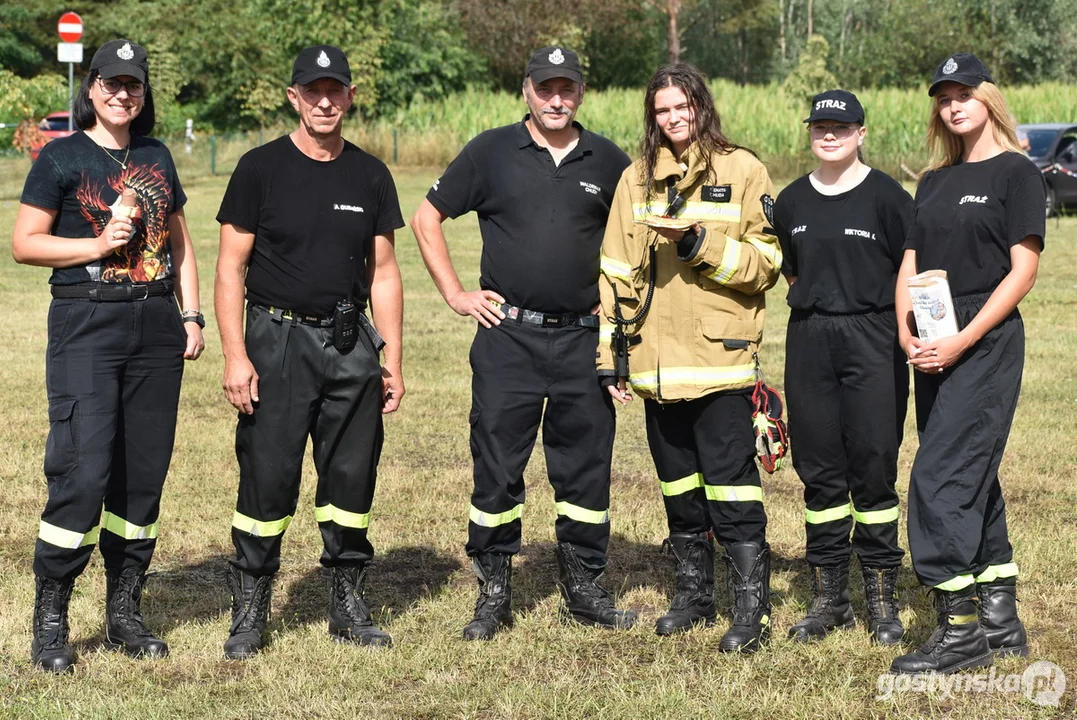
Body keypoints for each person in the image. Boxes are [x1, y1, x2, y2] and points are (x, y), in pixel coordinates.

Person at [411, 46, 636, 640]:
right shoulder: (490, 152)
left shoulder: (610, 160)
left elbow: (638, 246)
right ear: (526, 89)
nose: (556, 99)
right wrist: (458, 294)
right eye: (546, 88)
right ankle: (494, 591)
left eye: (567, 88)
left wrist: (619, 329)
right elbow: (426, 217)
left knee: (586, 470)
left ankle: (584, 589)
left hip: (583, 341)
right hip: (507, 337)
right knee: (498, 467)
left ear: (582, 92)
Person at [12, 39, 204, 673]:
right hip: (86, 322)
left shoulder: (156, 155)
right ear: (91, 87)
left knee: (141, 476)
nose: (123, 94)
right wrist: (95, 245)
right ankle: (52, 621)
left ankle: (124, 611)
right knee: (82, 471)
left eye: (134, 86)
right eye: (112, 83)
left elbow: (181, 244)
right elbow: (25, 245)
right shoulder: (60, 155)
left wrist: (191, 314)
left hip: (155, 324)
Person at [214, 45, 404, 657]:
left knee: (351, 475)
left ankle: (347, 602)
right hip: (277, 340)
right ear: (293, 97)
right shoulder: (259, 168)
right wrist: (236, 354)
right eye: (313, 90)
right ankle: (251, 608)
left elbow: (384, 274)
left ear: (350, 96)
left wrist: (391, 356)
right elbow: (228, 269)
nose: (325, 101)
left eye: (336, 90)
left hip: (351, 345)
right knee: (268, 476)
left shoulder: (371, 175)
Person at [598, 64, 781, 652]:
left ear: (701, 106)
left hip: (721, 366)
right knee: (679, 490)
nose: (673, 118)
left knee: (733, 492)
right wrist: (612, 358)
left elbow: (766, 266)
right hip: (655, 367)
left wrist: (699, 243)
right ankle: (694, 594)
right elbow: (616, 274)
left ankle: (752, 609)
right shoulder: (636, 179)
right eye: (662, 111)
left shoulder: (743, 169)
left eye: (682, 107)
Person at [890, 53, 1043, 674]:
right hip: (931, 337)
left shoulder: (1016, 173)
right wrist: (911, 339)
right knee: (969, 468)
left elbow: (1023, 270)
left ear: (988, 99)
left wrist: (963, 340)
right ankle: (1001, 619)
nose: (953, 105)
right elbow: (908, 266)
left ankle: (959, 629)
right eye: (944, 97)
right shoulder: (931, 181)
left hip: (986, 336)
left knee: (939, 477)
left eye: (964, 93)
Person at [772, 90, 910, 646]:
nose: (830, 135)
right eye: (820, 126)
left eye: (841, 126)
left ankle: (881, 596)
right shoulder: (790, 201)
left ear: (861, 132)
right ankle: (830, 595)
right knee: (819, 467)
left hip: (872, 335)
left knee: (873, 465)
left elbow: (913, 267)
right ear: (810, 131)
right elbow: (790, 269)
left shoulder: (888, 197)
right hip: (810, 337)